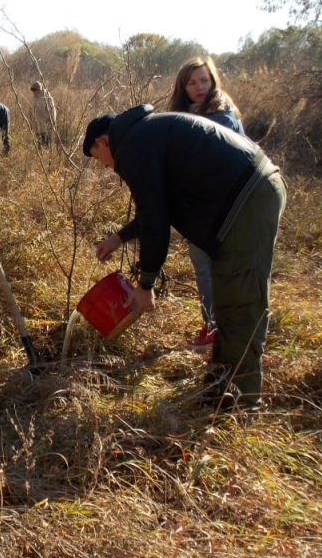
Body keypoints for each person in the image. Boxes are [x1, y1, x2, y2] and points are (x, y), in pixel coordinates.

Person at [83, 104, 285, 409]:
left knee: (241, 303)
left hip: (248, 200)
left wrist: (146, 285)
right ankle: (221, 384)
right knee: (229, 297)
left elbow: (155, 220)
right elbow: (156, 208)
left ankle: (240, 403)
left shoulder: (133, 147)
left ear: (102, 142)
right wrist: (118, 238)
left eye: (99, 159)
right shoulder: (143, 134)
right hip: (249, 195)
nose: (106, 167)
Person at [168, 57, 245, 349]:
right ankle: (216, 327)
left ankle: (219, 330)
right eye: (192, 82)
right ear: (183, 87)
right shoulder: (183, 116)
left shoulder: (222, 115)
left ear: (213, 81)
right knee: (205, 268)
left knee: (216, 268)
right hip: (198, 205)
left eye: (204, 80)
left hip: (224, 204)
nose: (199, 87)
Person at [29, 80, 57, 147]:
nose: (33, 92)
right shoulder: (34, 99)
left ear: (39, 90)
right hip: (37, 128)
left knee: (46, 146)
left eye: (35, 90)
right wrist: (31, 123)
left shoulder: (47, 98)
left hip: (46, 128)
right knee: (39, 147)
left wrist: (51, 124)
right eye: (33, 90)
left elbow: (53, 112)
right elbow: (30, 112)